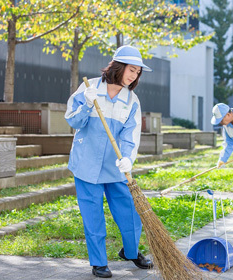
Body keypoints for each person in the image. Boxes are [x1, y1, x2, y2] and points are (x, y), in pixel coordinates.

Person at [65, 45, 153, 278]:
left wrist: (127, 159)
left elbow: (131, 134)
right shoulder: (89, 88)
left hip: (115, 167)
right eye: (132, 70)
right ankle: (99, 262)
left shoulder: (131, 100)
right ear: (118, 67)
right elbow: (73, 122)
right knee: (92, 215)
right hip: (86, 165)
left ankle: (132, 252)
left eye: (137, 72)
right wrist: (86, 104)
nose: (134, 76)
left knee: (130, 211)